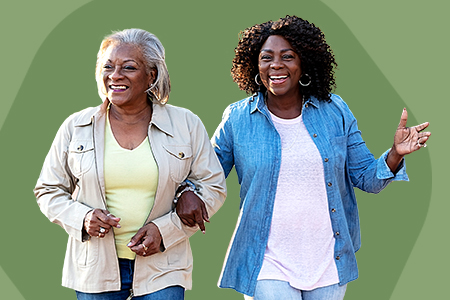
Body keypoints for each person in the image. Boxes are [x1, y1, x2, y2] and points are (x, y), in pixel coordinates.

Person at [176, 16, 431, 300]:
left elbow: (367, 178)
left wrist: (395, 153)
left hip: (328, 260)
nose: (276, 65)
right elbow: (207, 173)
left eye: (288, 57)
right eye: (266, 58)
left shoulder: (335, 110)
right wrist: (185, 190)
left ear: (304, 63)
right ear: (254, 65)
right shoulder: (238, 118)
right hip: (266, 260)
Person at [34, 28, 226, 300]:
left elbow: (213, 186)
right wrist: (83, 218)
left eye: (129, 67)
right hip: (95, 269)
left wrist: (165, 231)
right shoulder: (76, 126)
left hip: (164, 265)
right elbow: (48, 190)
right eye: (108, 66)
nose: (115, 75)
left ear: (152, 74)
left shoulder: (186, 124)